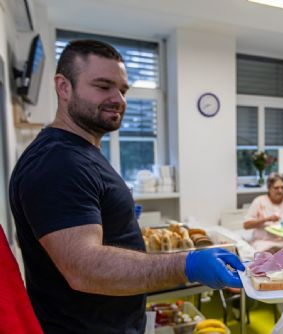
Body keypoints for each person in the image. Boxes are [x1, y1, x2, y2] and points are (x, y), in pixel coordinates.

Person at [9, 40, 244, 334]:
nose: (118, 98)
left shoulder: (81, 152)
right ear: (63, 86)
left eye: (123, 89)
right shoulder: (57, 161)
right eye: (103, 86)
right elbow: (84, 267)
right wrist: (186, 264)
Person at [243, 172, 283, 257]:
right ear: (269, 188)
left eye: (282, 188)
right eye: (276, 188)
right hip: (265, 242)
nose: (280, 191)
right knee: (268, 256)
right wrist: (266, 219)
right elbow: (246, 225)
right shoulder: (259, 201)